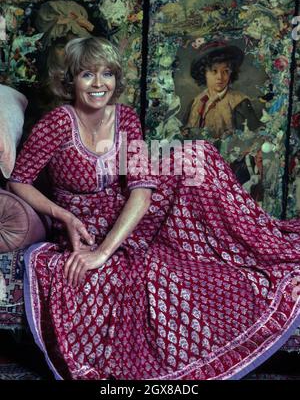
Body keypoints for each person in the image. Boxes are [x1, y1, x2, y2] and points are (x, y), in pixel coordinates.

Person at [9, 37, 300, 380]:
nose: (99, 84)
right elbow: (19, 180)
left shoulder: (126, 119)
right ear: (71, 80)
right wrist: (64, 216)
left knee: (198, 157)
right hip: (84, 225)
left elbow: (141, 192)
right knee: (158, 259)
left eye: (107, 74)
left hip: (127, 218)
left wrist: (102, 254)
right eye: (88, 75)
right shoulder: (58, 123)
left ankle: (262, 246)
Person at [186, 40, 261, 138]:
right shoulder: (195, 102)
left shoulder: (240, 103)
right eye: (214, 71)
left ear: (231, 73)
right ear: (204, 73)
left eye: (225, 71)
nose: (220, 77)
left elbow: (252, 137)